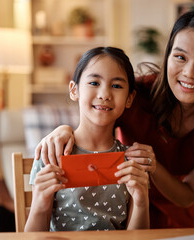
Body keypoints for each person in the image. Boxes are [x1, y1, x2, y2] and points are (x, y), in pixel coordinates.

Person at [33, 10, 194, 228]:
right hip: (119, 213)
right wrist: (64, 129)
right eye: (180, 57)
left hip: (176, 219)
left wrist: (151, 165)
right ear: (167, 57)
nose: (190, 73)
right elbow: (97, 113)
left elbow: (187, 196)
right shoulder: (139, 94)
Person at [24, 47, 150, 232]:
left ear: (129, 98)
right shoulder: (51, 152)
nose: (104, 94)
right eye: (94, 82)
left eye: (116, 86)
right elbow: (32, 237)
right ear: (74, 90)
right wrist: (40, 204)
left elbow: (139, 238)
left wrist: (141, 202)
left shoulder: (131, 162)